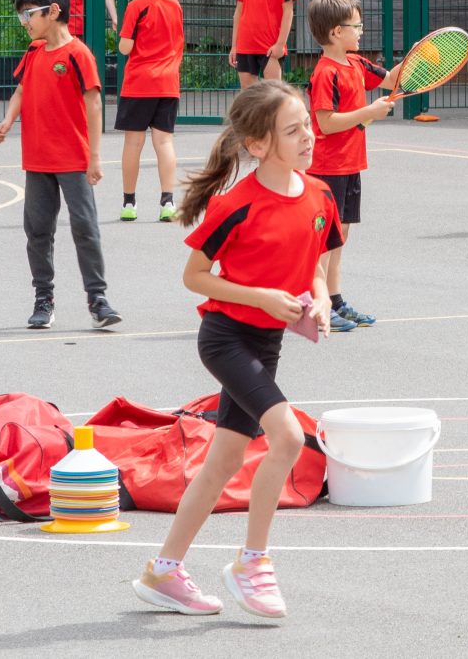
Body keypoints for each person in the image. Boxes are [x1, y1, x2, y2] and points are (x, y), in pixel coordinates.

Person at [131, 84, 336, 622]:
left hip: (267, 341)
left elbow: (316, 266)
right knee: (288, 436)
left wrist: (321, 301)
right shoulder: (236, 204)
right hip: (225, 339)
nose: (308, 136)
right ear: (258, 144)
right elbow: (195, 276)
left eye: (307, 125)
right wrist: (261, 296)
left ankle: (163, 570)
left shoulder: (319, 196)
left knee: (222, 461)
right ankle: (253, 563)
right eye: (292, 131)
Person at [0, 0, 120, 330]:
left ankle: (98, 299)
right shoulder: (34, 53)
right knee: (37, 230)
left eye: (28, 15)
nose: (25, 23)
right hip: (37, 159)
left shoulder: (78, 54)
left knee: (85, 227)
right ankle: (43, 299)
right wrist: (7, 121)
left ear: (53, 12)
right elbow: (21, 90)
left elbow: (94, 105)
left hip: (72, 159)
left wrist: (94, 157)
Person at [303, 0, 398, 330]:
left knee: (339, 236)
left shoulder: (357, 63)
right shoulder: (325, 73)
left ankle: (336, 300)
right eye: (356, 26)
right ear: (335, 33)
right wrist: (369, 111)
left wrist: (419, 61)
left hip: (350, 165)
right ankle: (316, 306)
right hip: (326, 167)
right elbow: (326, 123)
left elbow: (390, 78)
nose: (361, 31)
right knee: (323, 241)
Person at [115, 0, 186, 223]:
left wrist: (125, 38)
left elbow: (124, 46)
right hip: (168, 82)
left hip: (139, 83)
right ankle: (167, 201)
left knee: (133, 143)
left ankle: (129, 203)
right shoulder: (175, 5)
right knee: (164, 142)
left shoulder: (136, 7)